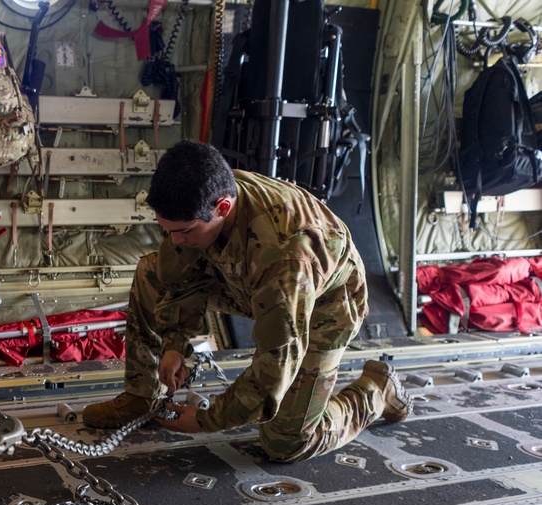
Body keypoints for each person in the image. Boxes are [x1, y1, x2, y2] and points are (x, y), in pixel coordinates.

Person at [82, 140, 412, 462]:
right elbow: (178, 277)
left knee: (286, 442)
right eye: (166, 229)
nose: (174, 240)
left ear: (222, 208)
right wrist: (173, 344)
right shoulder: (200, 196)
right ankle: (143, 396)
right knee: (150, 271)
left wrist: (205, 421)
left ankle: (375, 392)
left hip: (325, 308)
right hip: (249, 282)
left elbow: (274, 368)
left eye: (183, 231)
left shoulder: (284, 257)